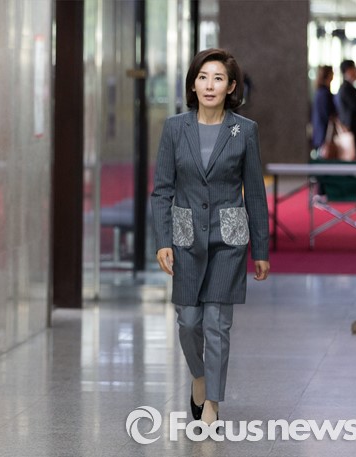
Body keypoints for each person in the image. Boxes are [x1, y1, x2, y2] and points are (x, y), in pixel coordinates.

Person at [150, 48, 270, 426]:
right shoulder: (175, 128)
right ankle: (199, 377)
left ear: (231, 87)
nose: (209, 85)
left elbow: (255, 193)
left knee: (217, 323)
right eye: (203, 77)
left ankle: (212, 406)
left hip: (228, 239)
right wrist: (163, 240)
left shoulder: (244, 130)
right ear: (193, 84)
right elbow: (162, 190)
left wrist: (261, 249)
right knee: (189, 322)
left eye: (218, 78)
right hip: (186, 238)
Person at [311, 65, 336, 153]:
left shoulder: (319, 91)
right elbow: (328, 114)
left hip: (319, 132)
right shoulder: (325, 93)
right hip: (324, 133)